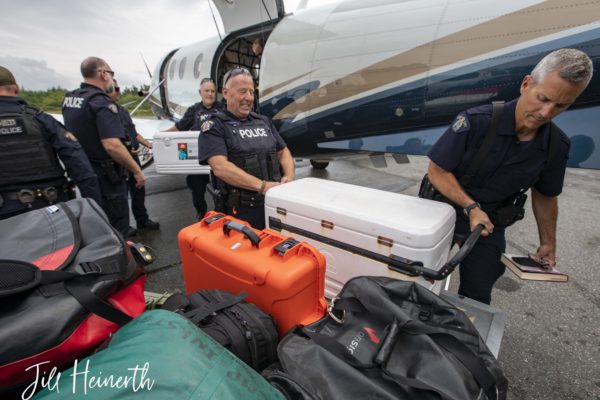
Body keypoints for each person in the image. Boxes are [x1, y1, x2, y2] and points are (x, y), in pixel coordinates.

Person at [426, 48, 593, 304]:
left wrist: (547, 243)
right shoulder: (476, 122)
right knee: (419, 278)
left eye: (561, 105)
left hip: (489, 224)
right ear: (526, 84)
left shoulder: (556, 145)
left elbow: (546, 195)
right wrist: (470, 207)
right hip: (441, 210)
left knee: (478, 292)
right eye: (543, 98)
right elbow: (437, 170)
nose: (546, 113)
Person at [0, 66, 102, 220]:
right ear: (16, 88)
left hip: (6, 215)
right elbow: (80, 166)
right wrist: (94, 211)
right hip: (53, 207)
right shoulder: (41, 119)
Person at [198, 68, 294, 229]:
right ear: (226, 93)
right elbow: (220, 167)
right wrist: (262, 186)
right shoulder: (215, 126)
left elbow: (283, 151)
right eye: (243, 91)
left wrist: (289, 177)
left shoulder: (263, 121)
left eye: (251, 92)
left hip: (275, 205)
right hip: (241, 213)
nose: (249, 98)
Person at [62, 57, 146, 238]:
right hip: (107, 176)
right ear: (103, 74)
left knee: (98, 221)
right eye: (111, 73)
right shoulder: (101, 103)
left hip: (85, 171)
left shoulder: (72, 99)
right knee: (118, 225)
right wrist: (136, 170)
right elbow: (112, 145)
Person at [107, 79, 159, 230]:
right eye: (115, 88)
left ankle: (142, 219)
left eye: (118, 88)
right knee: (121, 194)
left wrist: (150, 144)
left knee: (138, 190)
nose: (118, 91)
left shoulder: (122, 111)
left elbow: (134, 133)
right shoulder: (106, 112)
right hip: (119, 159)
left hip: (133, 158)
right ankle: (124, 226)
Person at [166, 78, 222, 218]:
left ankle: (220, 216)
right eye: (207, 91)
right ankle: (201, 213)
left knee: (222, 192)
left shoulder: (222, 108)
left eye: (212, 91)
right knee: (197, 192)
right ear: (200, 92)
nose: (210, 94)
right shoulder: (194, 110)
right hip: (198, 160)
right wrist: (159, 137)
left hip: (219, 157)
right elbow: (179, 128)